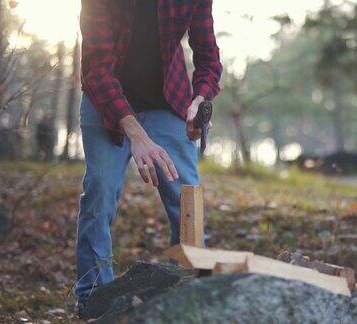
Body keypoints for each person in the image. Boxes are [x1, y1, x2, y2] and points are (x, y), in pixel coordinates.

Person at [75, 0, 222, 311]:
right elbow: (96, 69)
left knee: (186, 199)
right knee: (99, 191)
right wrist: (137, 136)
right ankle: (94, 300)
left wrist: (199, 100)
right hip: (105, 101)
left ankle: (185, 296)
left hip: (167, 101)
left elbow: (209, 60)